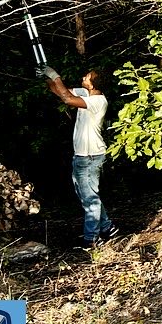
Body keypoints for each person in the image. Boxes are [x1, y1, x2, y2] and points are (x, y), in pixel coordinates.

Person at [40, 66, 116, 247]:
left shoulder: (98, 101)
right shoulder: (85, 93)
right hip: (82, 155)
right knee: (87, 195)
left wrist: (55, 74)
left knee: (90, 198)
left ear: (93, 84)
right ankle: (107, 226)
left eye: (87, 76)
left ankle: (92, 239)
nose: (83, 77)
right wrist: (47, 78)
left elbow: (67, 99)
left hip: (91, 156)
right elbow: (59, 92)